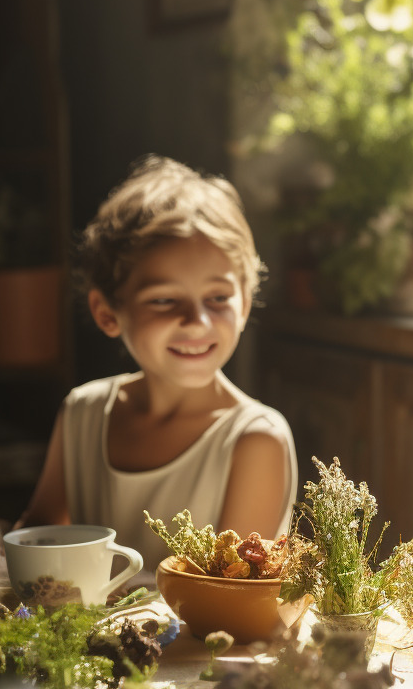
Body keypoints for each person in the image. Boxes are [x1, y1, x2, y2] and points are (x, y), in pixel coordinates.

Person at [16, 156, 299, 571]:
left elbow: (236, 597)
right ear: (107, 312)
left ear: (244, 304)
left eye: (218, 298)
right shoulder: (83, 411)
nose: (197, 321)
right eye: (164, 300)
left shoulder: (256, 440)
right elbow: (39, 537)